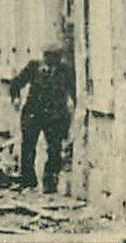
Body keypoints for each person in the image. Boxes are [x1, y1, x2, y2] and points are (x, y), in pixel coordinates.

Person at [7, 44, 76, 193]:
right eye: (48, 56)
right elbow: (16, 83)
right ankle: (28, 181)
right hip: (33, 113)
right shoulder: (33, 67)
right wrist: (16, 99)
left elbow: (74, 91)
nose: (51, 60)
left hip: (54, 116)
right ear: (44, 57)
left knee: (54, 149)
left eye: (55, 57)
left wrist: (72, 110)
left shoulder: (65, 71)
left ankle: (49, 183)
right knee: (28, 147)